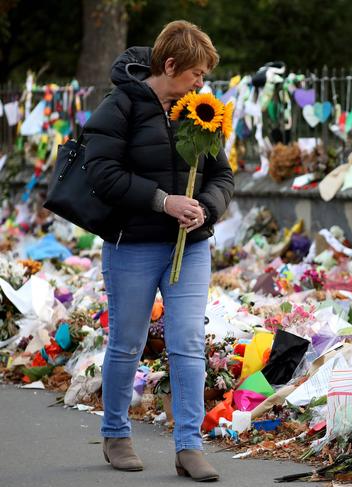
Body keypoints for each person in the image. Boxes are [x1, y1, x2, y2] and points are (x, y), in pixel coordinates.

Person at [83, 20, 233, 482]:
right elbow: (100, 172)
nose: (202, 85)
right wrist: (163, 201)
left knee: (188, 344)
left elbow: (222, 177)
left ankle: (189, 446)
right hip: (132, 245)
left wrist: (205, 208)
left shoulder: (200, 112)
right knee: (126, 344)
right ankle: (115, 435)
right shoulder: (121, 105)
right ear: (170, 65)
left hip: (189, 249)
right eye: (196, 75)